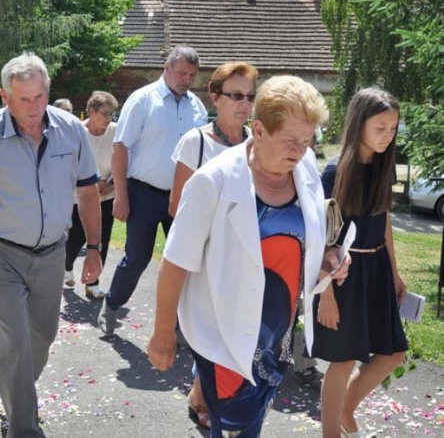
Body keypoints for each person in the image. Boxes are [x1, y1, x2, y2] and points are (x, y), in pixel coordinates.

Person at [148, 76, 350, 438]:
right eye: (290, 140)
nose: (300, 150)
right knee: (235, 422)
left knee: (246, 422)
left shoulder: (304, 171)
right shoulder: (215, 181)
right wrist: (163, 333)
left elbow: (304, 242)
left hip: (277, 333)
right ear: (258, 129)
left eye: (308, 141)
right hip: (222, 332)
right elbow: (175, 260)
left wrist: (329, 259)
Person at [0, 53, 102, 438]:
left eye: (40, 97)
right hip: (2, 253)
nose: (34, 108)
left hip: (52, 251)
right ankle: (23, 427)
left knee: (42, 337)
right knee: (13, 338)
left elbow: (88, 191)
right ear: (4, 96)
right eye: (23, 100)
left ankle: (16, 399)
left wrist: (95, 248)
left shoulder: (70, 130)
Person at [312, 88, 407, 438]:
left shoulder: (384, 167)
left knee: (393, 352)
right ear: (359, 123)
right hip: (343, 275)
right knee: (344, 358)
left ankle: (347, 409)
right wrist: (327, 295)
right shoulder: (335, 171)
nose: (388, 135)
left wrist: (394, 273)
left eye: (393, 128)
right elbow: (322, 238)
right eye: (380, 126)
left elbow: (384, 221)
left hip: (378, 269)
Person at [168, 61, 257, 429]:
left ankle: (201, 392)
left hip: (245, 259)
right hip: (205, 260)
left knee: (235, 331)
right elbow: (176, 206)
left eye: (250, 97)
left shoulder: (258, 143)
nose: (244, 104)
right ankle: (205, 395)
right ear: (215, 98)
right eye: (236, 96)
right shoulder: (197, 141)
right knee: (210, 330)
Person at [98, 45, 208, 335]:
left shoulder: (196, 106)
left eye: (192, 75)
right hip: (143, 193)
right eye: (182, 72)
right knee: (137, 257)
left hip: (183, 197)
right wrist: (120, 195)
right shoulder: (143, 100)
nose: (186, 79)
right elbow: (120, 148)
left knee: (184, 260)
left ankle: (177, 325)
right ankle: (112, 304)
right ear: (167, 68)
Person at [63, 91, 119, 299]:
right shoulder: (76, 132)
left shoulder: (116, 131)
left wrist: (111, 185)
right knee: (77, 237)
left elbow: (123, 160)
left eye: (112, 114)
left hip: (106, 195)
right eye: (105, 113)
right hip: (81, 196)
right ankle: (67, 266)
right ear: (91, 111)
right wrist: (91, 184)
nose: (109, 118)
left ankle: (93, 283)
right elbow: (68, 164)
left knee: (101, 239)